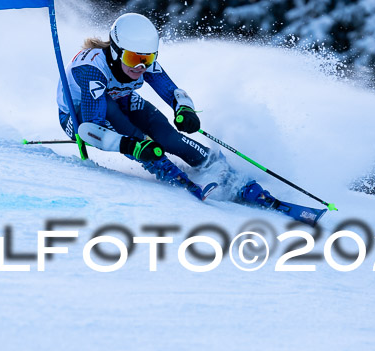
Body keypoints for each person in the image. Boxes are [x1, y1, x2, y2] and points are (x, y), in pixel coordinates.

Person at [56, 12, 278, 207]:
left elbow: (173, 92)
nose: (140, 66)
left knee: (168, 136)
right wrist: (131, 145)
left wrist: (185, 110)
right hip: (77, 117)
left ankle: (217, 168)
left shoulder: (141, 59)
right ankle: (161, 165)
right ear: (115, 51)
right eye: (133, 58)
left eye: (147, 58)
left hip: (119, 98)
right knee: (126, 127)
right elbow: (91, 129)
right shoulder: (91, 70)